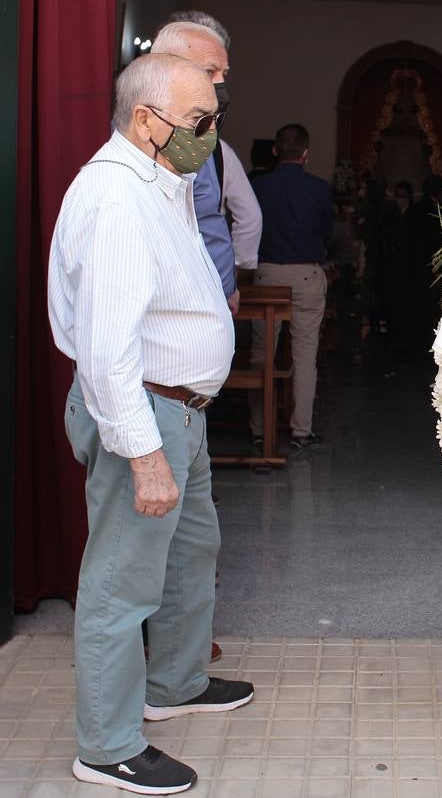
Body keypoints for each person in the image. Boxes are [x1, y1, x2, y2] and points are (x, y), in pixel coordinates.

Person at [48, 53, 255, 795]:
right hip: (144, 408)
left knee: (192, 551)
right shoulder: (115, 198)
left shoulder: (159, 180)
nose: (211, 133)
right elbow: (107, 350)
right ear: (146, 121)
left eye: (215, 117)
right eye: (200, 121)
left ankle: (175, 683)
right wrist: (144, 456)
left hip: (182, 409)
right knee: (122, 580)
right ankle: (105, 746)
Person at [151, 19, 263, 315]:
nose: (220, 85)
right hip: (176, 303)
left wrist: (228, 282)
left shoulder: (202, 139)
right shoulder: (153, 138)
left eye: (224, 74)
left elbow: (211, 216)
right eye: (209, 71)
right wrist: (225, 283)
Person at [249, 124, 334, 450]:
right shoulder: (319, 188)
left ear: (274, 151)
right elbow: (326, 233)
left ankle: (259, 428)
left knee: (261, 356)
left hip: (266, 274)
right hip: (306, 275)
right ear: (306, 154)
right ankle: (301, 429)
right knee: (304, 356)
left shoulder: (258, 186)